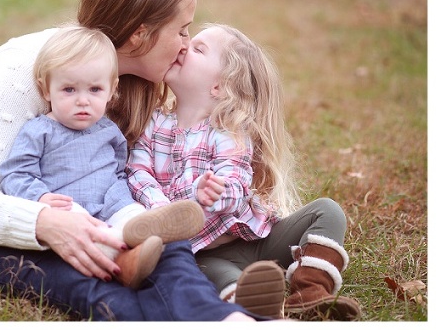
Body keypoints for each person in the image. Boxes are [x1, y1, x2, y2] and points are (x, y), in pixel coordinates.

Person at [0, 0, 276, 320]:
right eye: (181, 31)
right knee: (94, 280)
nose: (184, 46)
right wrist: (47, 224)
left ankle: (232, 320)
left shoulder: (131, 85)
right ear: (140, 34)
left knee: (166, 247)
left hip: (101, 221)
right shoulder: (20, 68)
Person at [126, 23, 362, 320]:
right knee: (221, 279)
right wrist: (174, 208)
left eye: (198, 49)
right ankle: (254, 303)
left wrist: (217, 191)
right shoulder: (153, 125)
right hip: (204, 253)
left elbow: (235, 185)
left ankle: (311, 291)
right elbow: (137, 174)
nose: (184, 47)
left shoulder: (229, 131)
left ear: (219, 86)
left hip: (256, 240)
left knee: (327, 211)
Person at [0, 24, 206, 289]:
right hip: (68, 206)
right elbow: (16, 172)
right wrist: (39, 197)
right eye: (69, 90)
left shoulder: (109, 130)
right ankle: (125, 261)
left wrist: (121, 197)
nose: (82, 100)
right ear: (46, 90)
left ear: (111, 90)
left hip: (110, 199)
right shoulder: (40, 131)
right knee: (88, 231)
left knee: (129, 211)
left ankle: (148, 228)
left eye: (94, 90)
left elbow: (119, 169)